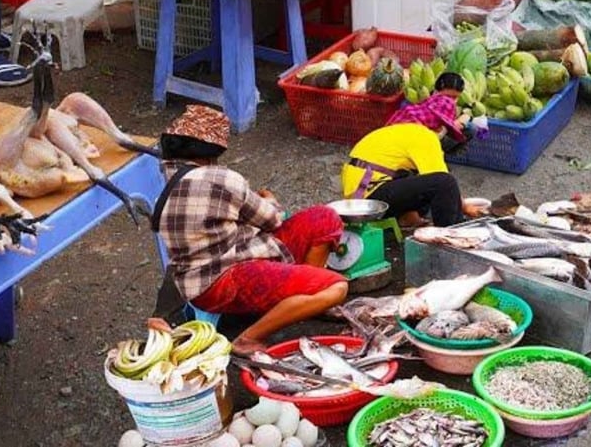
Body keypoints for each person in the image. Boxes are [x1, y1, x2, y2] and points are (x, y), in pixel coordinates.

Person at [153, 105, 345, 353]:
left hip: (202, 274)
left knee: (323, 218)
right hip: (222, 280)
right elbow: (273, 220)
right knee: (337, 288)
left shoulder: (168, 174)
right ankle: (248, 338)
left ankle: (300, 299)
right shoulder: (222, 179)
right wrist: (269, 198)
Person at [341, 74, 485, 227]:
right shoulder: (424, 136)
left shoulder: (404, 127)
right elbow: (442, 178)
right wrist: (466, 208)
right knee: (445, 183)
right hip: (368, 196)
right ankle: (451, 234)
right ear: (438, 126)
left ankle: (407, 219)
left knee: (421, 179)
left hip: (359, 189)